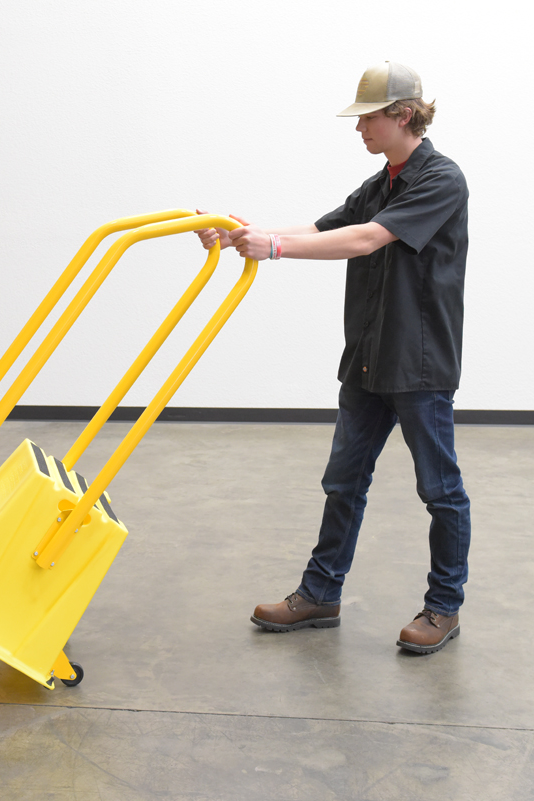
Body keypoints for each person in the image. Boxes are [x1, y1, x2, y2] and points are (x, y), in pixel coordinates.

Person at [196, 61, 470, 654]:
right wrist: (240, 233)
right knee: (342, 482)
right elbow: (325, 229)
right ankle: (321, 594)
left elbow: (366, 239)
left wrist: (272, 248)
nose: (359, 129)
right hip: (369, 358)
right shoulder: (378, 185)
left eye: (368, 118)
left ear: (403, 115)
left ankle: (444, 607)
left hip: (419, 365)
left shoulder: (442, 180)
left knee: (440, 490)